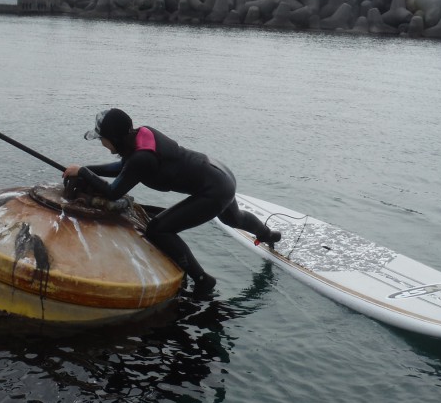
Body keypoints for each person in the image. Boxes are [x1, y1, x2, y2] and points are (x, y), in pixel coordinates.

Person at [64, 108, 281, 294]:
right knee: (233, 218)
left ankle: (203, 280)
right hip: (220, 175)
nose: (101, 142)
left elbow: (113, 192)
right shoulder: (141, 135)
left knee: (158, 229)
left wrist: (83, 172)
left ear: (115, 138)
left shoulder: (142, 158)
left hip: (213, 190)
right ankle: (268, 234)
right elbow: (125, 168)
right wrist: (86, 170)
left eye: (102, 138)